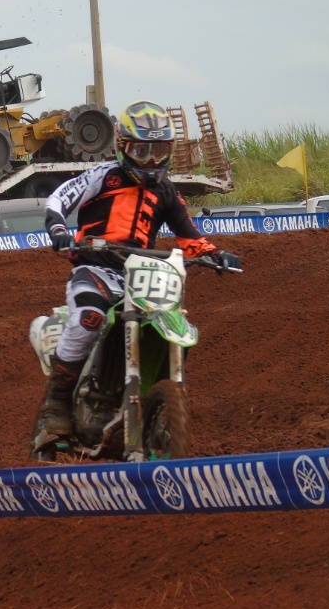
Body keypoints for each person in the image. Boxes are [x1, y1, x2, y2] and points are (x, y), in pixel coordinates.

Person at [30, 100, 241, 461]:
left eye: (159, 151)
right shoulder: (105, 176)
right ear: (122, 146)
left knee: (171, 322)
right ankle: (56, 407)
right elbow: (59, 198)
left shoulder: (167, 192)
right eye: (141, 150)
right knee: (88, 317)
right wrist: (60, 229)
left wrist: (214, 253)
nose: (151, 160)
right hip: (94, 269)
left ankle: (153, 401)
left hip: (139, 276)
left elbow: (190, 236)